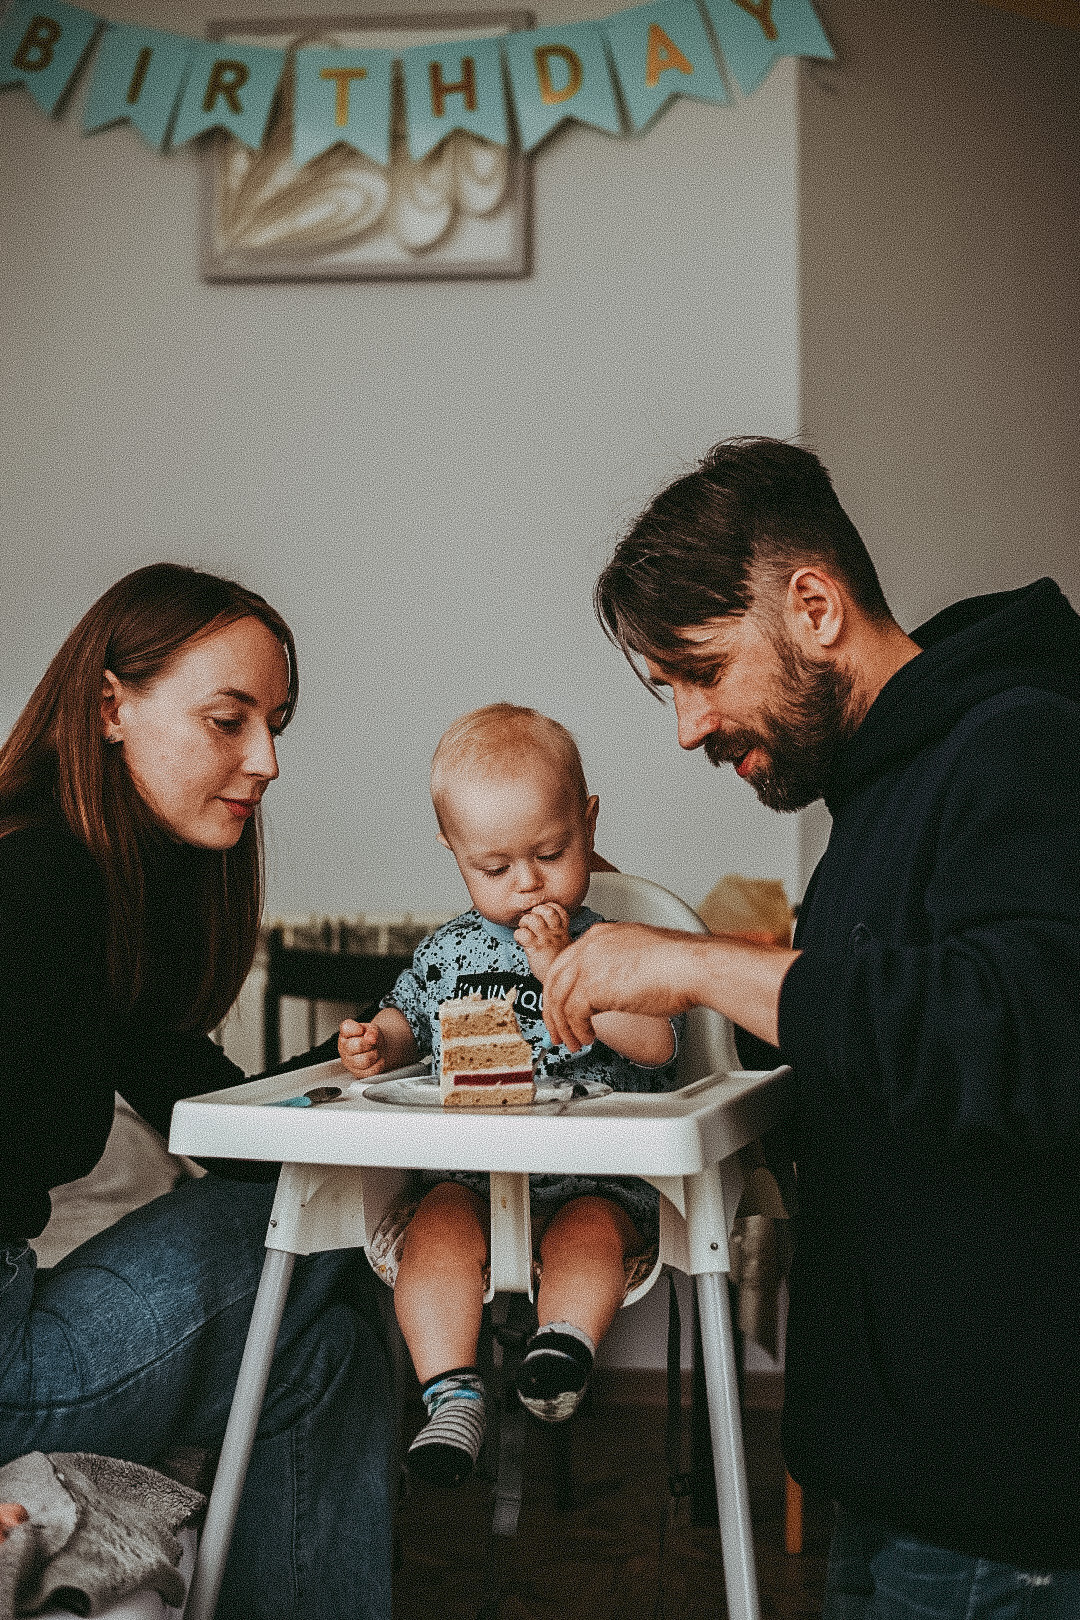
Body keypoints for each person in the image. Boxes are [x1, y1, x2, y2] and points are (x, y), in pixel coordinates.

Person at [539, 438, 1080, 1618]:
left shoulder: (1026, 741)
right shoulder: (885, 789)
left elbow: (1026, 1035)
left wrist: (701, 963)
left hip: (1004, 1495)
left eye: (699, 671)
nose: (687, 727)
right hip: (895, 1468)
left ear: (815, 606)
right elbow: (878, 1051)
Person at [0, 564, 394, 1620]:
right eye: (228, 720)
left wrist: (372, 1096)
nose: (264, 761)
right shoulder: (38, 883)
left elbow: (196, 1099)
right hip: (8, 1374)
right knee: (325, 1234)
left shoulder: (83, 878)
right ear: (110, 706)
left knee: (320, 1347)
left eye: (275, 725)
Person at [337, 703, 679, 1487]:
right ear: (455, 854)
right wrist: (376, 1042)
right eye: (495, 868)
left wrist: (568, 967)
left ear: (587, 825)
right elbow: (407, 1020)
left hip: (594, 1174)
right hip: (467, 1172)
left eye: (551, 853)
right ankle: (452, 1396)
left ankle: (560, 1354)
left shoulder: (611, 947)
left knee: (592, 1236)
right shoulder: (448, 949)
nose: (527, 883)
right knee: (434, 1236)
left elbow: (656, 1043)